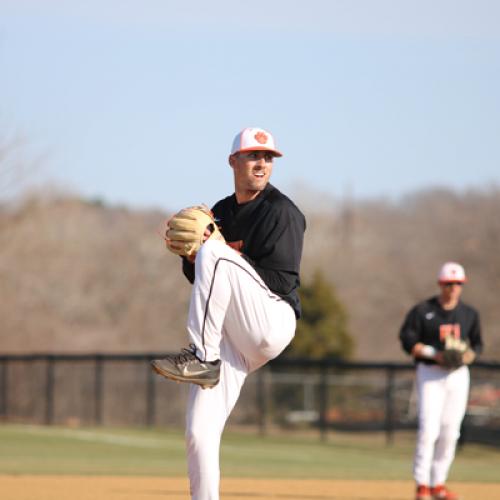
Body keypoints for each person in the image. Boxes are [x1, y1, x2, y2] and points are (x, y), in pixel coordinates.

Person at [152, 127, 306, 500]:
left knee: (214, 253)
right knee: (199, 432)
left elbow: (280, 282)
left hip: (272, 318)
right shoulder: (220, 212)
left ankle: (202, 356)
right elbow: (201, 277)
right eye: (253, 155)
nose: (262, 163)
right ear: (233, 161)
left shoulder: (281, 212)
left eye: (268, 157)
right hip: (231, 338)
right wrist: (190, 256)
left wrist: (215, 252)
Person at [399, 262, 483, 500]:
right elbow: (407, 341)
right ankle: (422, 484)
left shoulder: (469, 314)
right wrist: (433, 353)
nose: (453, 288)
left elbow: (477, 344)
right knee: (428, 429)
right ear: (440, 284)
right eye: (449, 283)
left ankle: (439, 484)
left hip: (457, 375)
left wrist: (468, 355)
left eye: (457, 283)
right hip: (431, 373)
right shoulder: (423, 311)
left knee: (450, 431)